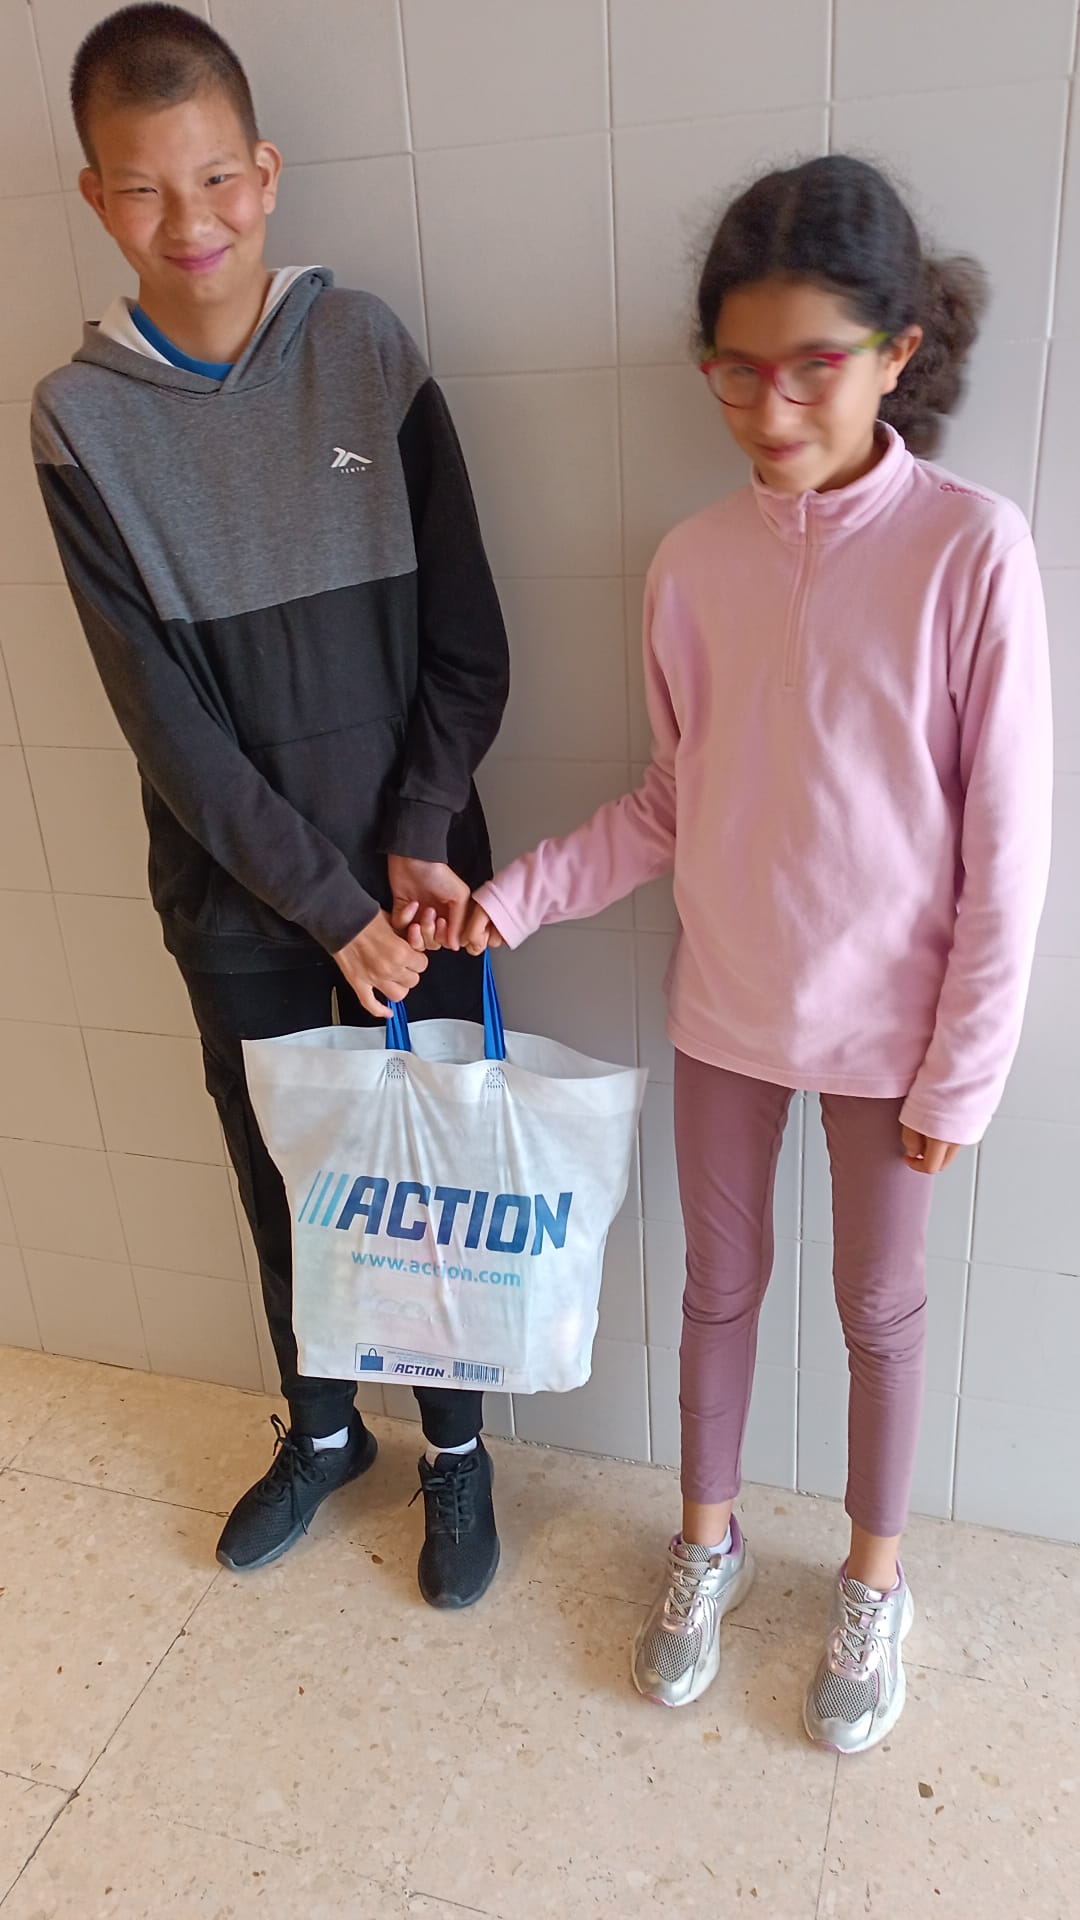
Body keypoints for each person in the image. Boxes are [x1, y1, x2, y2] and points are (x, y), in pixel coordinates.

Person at [463, 155, 1052, 1747]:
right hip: (726, 1009)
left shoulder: (973, 551)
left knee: (882, 1308)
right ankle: (706, 1538)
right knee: (716, 1288)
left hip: (895, 1044)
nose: (772, 406)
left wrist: (964, 1073)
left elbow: (1008, 848)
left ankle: (874, 1576)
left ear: (898, 352)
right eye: (737, 369)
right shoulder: (693, 562)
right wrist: (509, 899)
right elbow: (673, 800)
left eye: (813, 365)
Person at [31, 4, 509, 1610]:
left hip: (421, 884)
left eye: (218, 178)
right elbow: (162, 721)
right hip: (239, 901)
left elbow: (471, 640)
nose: (194, 221)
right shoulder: (77, 418)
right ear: (98, 198)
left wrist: (417, 836)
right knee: (286, 1173)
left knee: (429, 1179)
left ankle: (455, 1450)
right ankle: (322, 1431)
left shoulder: (366, 347)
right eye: (147, 188)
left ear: (268, 171)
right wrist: (323, 906)